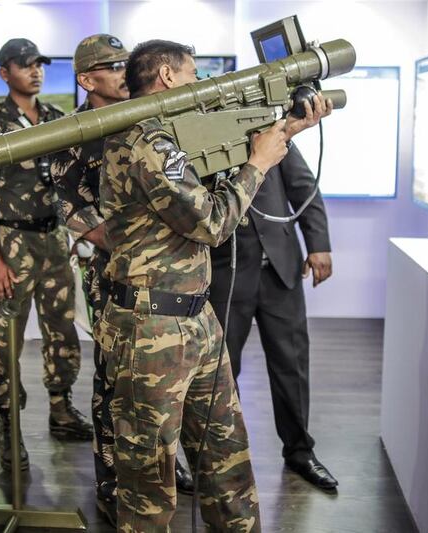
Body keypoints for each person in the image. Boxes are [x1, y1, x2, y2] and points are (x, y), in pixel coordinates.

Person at [96, 39, 331, 530]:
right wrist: (259, 161)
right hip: (151, 328)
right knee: (148, 484)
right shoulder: (146, 142)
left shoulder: (169, 134)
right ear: (165, 76)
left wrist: (287, 128)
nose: (201, 82)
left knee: (226, 460)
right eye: (193, 73)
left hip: (194, 319)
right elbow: (212, 224)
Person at [50, 33, 192, 527]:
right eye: (113, 66)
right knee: (115, 385)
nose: (123, 73)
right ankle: (113, 485)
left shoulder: (151, 124)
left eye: (126, 64)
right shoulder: (73, 135)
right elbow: (80, 214)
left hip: (168, 283)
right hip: (113, 281)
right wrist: (147, 236)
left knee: (166, 385)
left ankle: (163, 469)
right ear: (87, 79)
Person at [0, 38, 92, 473]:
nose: (35, 71)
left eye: (39, 64)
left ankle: (61, 409)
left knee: (62, 330)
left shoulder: (58, 118)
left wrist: (81, 233)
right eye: (25, 65)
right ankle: (9, 427)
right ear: (5, 73)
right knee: (7, 337)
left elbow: (71, 185)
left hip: (55, 241)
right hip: (13, 243)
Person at [209, 145, 338, 491]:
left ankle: (299, 450)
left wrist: (318, 243)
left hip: (281, 269)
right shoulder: (197, 133)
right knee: (220, 371)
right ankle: (220, 459)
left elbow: (303, 187)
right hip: (227, 271)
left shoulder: (269, 129)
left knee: (292, 364)